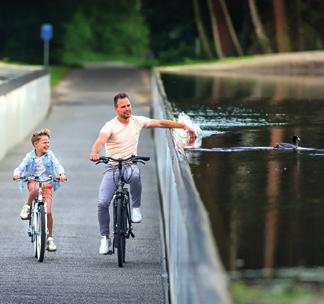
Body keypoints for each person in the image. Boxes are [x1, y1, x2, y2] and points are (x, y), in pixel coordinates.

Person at [90, 92, 196, 255]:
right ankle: (105, 238)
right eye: (123, 106)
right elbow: (100, 141)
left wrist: (183, 126)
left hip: (129, 164)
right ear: (116, 109)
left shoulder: (137, 121)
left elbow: (160, 122)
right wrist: (95, 153)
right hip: (112, 167)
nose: (127, 109)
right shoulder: (109, 126)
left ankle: (136, 208)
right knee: (102, 203)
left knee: (135, 175)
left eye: (129, 105)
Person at [13, 128, 67, 252]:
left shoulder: (50, 155)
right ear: (35, 144)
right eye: (44, 142)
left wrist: (61, 174)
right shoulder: (29, 156)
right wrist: (17, 174)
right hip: (33, 182)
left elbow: (57, 165)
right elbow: (20, 167)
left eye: (48, 142)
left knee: (48, 212)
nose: (47, 145)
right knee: (36, 188)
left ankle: (50, 238)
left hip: (47, 184)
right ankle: (27, 207)